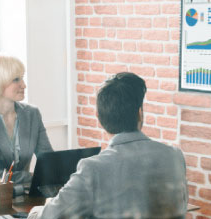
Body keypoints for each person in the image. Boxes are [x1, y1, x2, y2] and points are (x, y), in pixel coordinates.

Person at [28, 72, 188, 219]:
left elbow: (49, 216)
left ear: (98, 117)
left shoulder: (93, 169)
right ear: (140, 113)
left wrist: (38, 210)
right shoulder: (175, 156)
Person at [0, 54, 53, 193]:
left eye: (22, 78)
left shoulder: (32, 114)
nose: (23, 85)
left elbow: (48, 158)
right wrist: (31, 177)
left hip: (23, 193)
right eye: (16, 79)